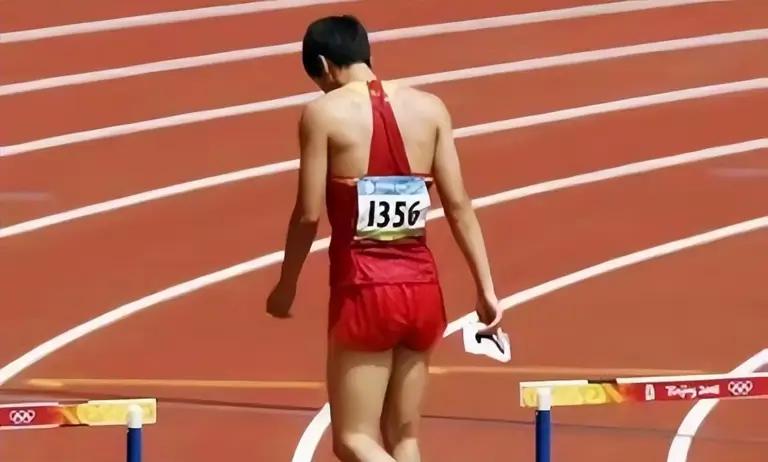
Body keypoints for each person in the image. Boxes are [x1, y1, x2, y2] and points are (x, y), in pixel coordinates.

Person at [266, 15, 502, 462]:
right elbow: (459, 206)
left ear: (323, 65)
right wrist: (486, 288)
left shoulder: (324, 114)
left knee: (353, 439)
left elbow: (308, 215)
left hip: (364, 291)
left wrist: (286, 286)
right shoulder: (431, 108)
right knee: (403, 438)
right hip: (423, 290)